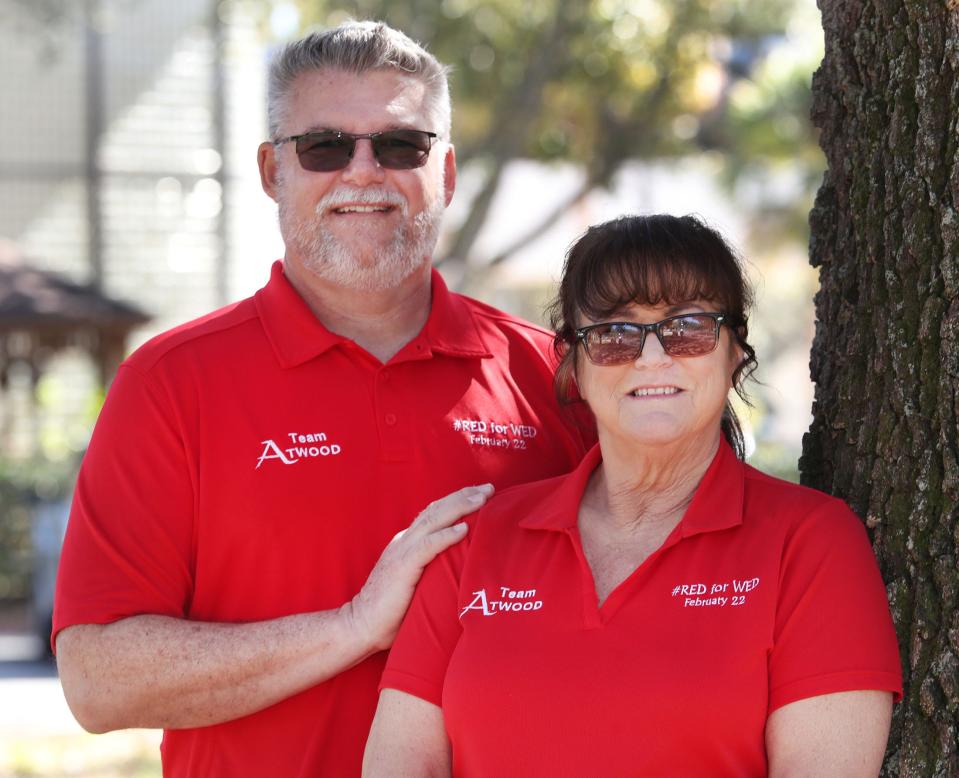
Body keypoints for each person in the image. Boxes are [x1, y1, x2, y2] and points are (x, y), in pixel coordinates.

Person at [53, 21, 592, 777]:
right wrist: (353, 628)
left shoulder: (556, 378)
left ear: (446, 172)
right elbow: (96, 681)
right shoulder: (172, 384)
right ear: (274, 171)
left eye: (402, 146)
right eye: (325, 147)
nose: (364, 173)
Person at [365, 214, 903, 776]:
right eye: (615, 335)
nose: (652, 358)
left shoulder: (812, 541)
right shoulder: (473, 540)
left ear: (735, 351)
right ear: (573, 362)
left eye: (688, 326)